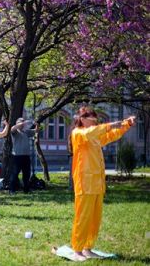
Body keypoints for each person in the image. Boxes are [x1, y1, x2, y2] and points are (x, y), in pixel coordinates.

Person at [69, 107, 135, 261]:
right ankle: (77, 251)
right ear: (83, 119)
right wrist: (111, 124)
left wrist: (126, 125)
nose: (94, 123)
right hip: (84, 183)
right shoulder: (78, 133)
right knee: (83, 217)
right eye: (92, 120)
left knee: (94, 218)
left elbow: (112, 135)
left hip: (97, 183)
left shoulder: (94, 136)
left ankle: (87, 248)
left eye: (95, 121)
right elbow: (92, 132)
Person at [9, 118, 37, 194]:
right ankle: (12, 190)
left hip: (26, 156)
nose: (22, 124)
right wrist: (22, 123)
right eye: (20, 123)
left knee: (26, 174)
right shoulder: (15, 132)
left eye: (23, 122)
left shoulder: (26, 132)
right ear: (17, 123)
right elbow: (13, 128)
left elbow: (35, 131)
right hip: (17, 156)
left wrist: (36, 124)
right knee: (15, 174)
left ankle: (26, 190)